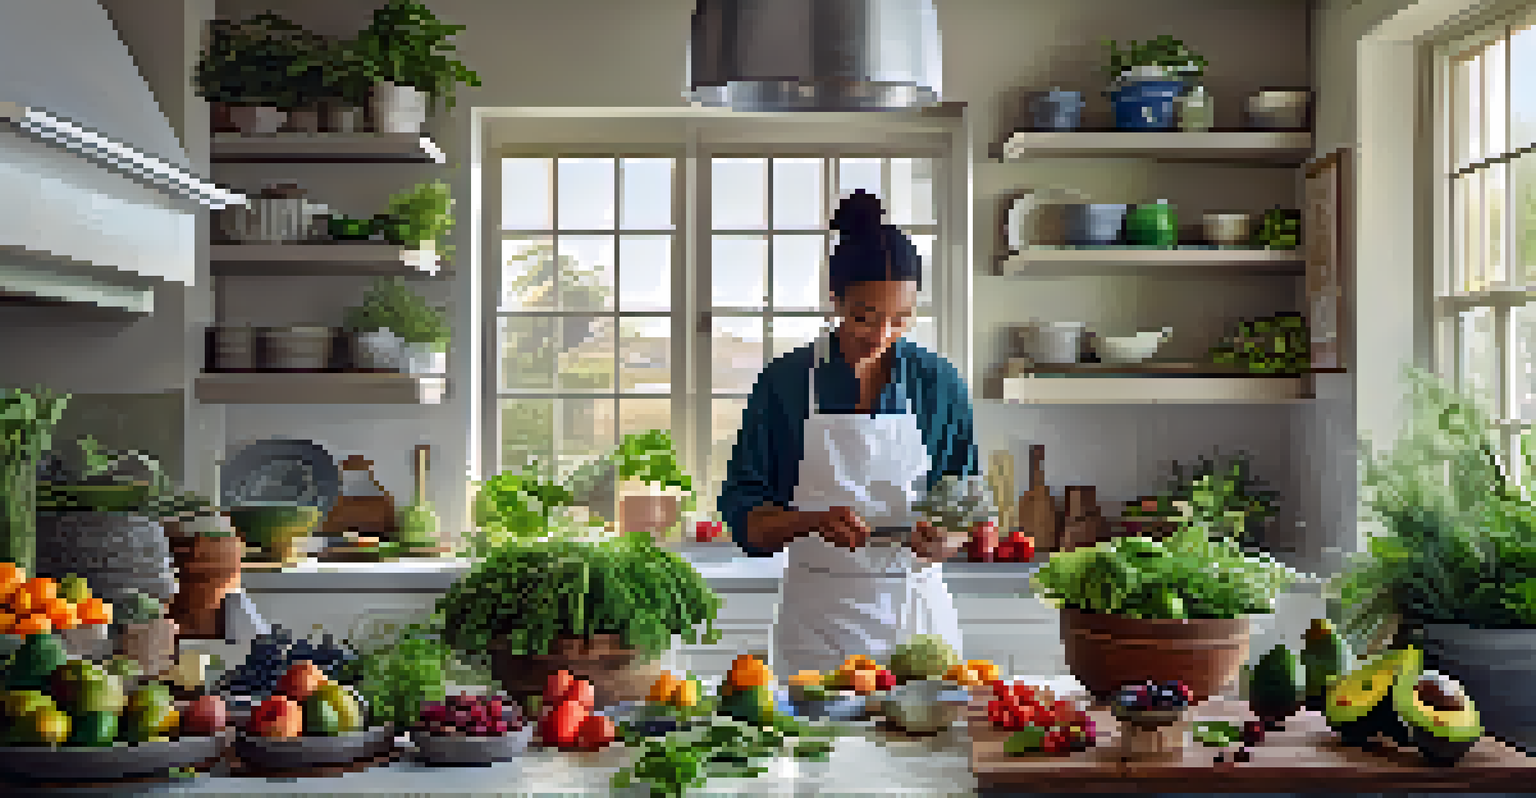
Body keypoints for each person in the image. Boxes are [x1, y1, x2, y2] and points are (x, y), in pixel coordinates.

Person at [717, 189, 981, 677]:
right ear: (834, 301)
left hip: (917, 622)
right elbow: (746, 521)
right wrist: (810, 521)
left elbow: (964, 514)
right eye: (864, 316)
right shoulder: (786, 384)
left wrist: (943, 540)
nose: (881, 335)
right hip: (818, 626)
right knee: (819, 749)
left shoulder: (938, 384)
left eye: (900, 319)